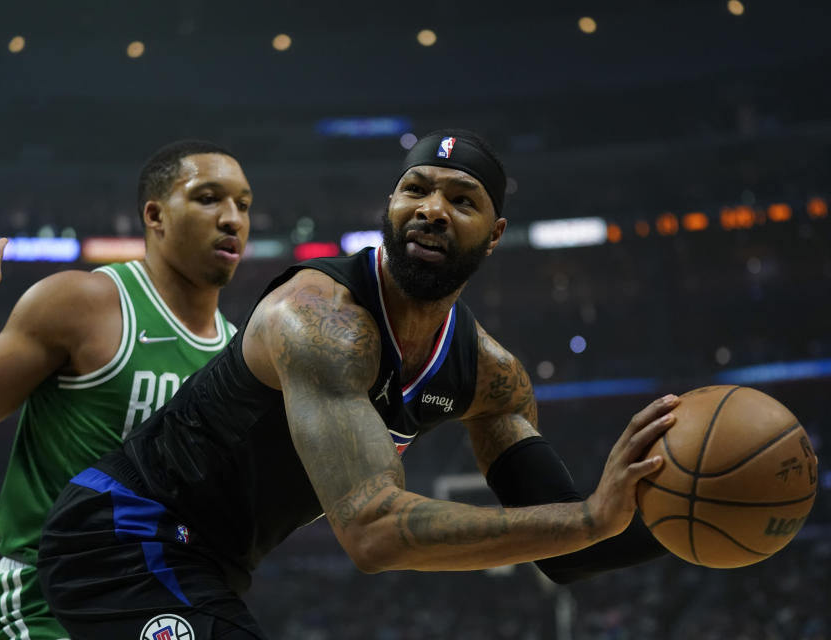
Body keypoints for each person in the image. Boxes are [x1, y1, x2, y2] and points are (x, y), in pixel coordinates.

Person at [37, 130, 672, 640]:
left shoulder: (490, 376)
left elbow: (567, 549)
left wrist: (685, 518)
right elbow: (375, 533)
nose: (432, 209)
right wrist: (591, 517)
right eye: (415, 189)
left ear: (495, 234)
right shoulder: (318, 320)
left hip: (209, 562)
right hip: (120, 535)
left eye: (463, 199)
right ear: (389, 210)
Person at [0, 139, 252, 640]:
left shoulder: (238, 359)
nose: (232, 219)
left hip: (156, 612)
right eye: (208, 198)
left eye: (242, 204)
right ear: (155, 215)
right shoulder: (83, 305)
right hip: (48, 603)